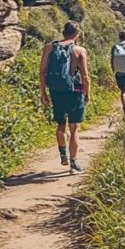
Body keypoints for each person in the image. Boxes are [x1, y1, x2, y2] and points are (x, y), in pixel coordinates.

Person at [39, 21, 91, 174]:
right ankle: (74, 163)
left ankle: (63, 154)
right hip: (75, 92)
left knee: (61, 124)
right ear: (77, 34)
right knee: (74, 128)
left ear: (63, 32)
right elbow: (85, 76)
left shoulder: (49, 47)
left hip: (56, 90)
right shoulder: (80, 50)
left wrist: (43, 92)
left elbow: (42, 72)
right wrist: (87, 94)